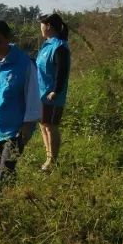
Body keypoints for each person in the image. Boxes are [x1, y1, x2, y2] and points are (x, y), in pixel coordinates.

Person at [0, 20, 41, 188]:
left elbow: (33, 97)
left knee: (5, 175)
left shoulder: (25, 64)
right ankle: (8, 207)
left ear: (8, 39)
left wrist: (27, 126)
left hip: (15, 131)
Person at [35, 13, 71, 171]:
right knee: (43, 125)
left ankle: (53, 161)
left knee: (51, 126)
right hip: (41, 92)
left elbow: (62, 71)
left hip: (52, 94)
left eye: (41, 24)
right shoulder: (47, 45)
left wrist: (56, 90)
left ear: (48, 26)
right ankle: (48, 157)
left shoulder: (60, 46)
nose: (40, 28)